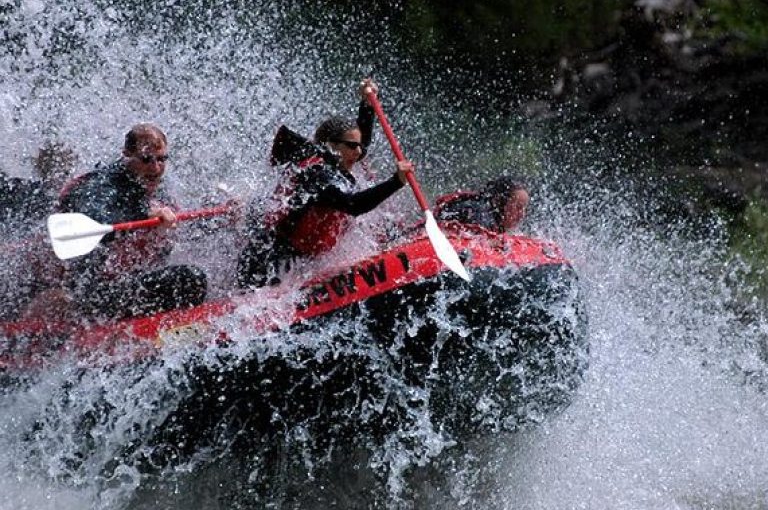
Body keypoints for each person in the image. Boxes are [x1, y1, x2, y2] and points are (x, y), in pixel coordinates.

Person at [237, 80, 414, 288]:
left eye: (358, 146)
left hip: (304, 257)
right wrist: (396, 182)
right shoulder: (317, 175)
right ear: (331, 147)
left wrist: (366, 105)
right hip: (268, 261)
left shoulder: (341, 159)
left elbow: (362, 142)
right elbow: (353, 205)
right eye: (351, 146)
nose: (358, 153)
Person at [57, 123, 207, 318]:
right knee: (190, 279)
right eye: (146, 159)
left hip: (129, 284)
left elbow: (181, 230)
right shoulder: (100, 185)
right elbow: (95, 217)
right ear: (126, 155)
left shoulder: (153, 186)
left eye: (162, 159)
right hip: (92, 296)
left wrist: (220, 221)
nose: (155, 168)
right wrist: (144, 212)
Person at [0, 142, 77, 236]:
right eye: (54, 171)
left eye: (66, 173)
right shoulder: (22, 191)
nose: (60, 179)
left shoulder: (75, 198)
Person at [435, 176, 530, 233]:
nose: (522, 214)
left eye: (525, 209)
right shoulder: (478, 216)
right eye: (518, 207)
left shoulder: (492, 221)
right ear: (498, 202)